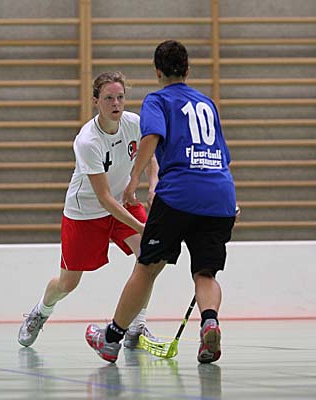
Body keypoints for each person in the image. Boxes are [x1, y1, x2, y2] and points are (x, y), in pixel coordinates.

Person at [85, 40, 238, 364]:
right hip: (220, 194)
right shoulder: (207, 103)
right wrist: (228, 201)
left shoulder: (158, 100)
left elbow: (151, 137)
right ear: (188, 69)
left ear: (157, 72)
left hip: (179, 194)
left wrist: (134, 180)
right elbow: (223, 157)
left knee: (147, 267)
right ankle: (210, 321)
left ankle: (111, 339)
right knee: (206, 273)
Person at [18, 72, 160, 357]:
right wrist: (142, 227)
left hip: (123, 202)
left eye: (120, 97)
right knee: (68, 283)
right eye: (108, 98)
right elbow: (104, 198)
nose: (116, 103)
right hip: (86, 212)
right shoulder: (87, 141)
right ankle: (41, 311)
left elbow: (150, 159)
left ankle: (136, 326)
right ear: (96, 101)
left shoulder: (134, 123)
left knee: (150, 256)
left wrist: (153, 185)